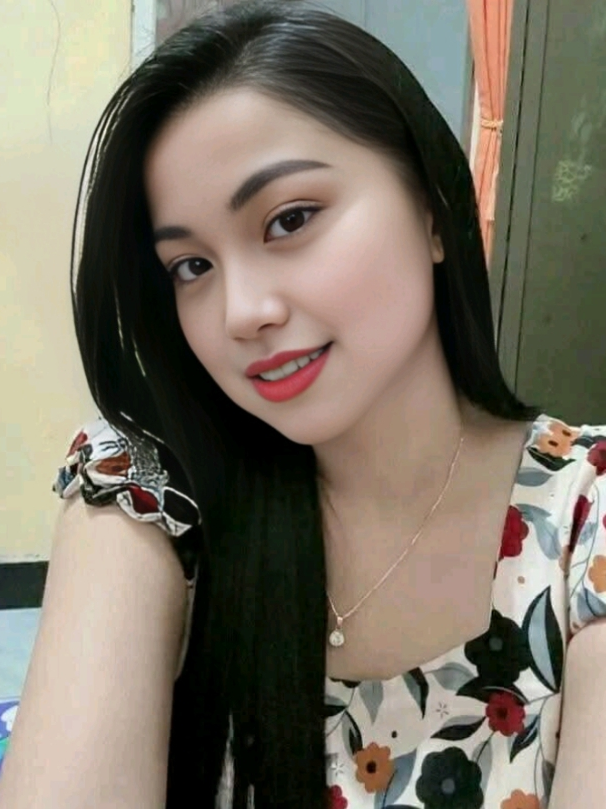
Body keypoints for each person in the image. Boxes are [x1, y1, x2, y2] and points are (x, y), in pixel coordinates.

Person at [1, 1, 605, 807]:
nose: (241, 312)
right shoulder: (151, 491)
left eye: (289, 219)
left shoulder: (585, 522)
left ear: (431, 207)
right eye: (191, 266)